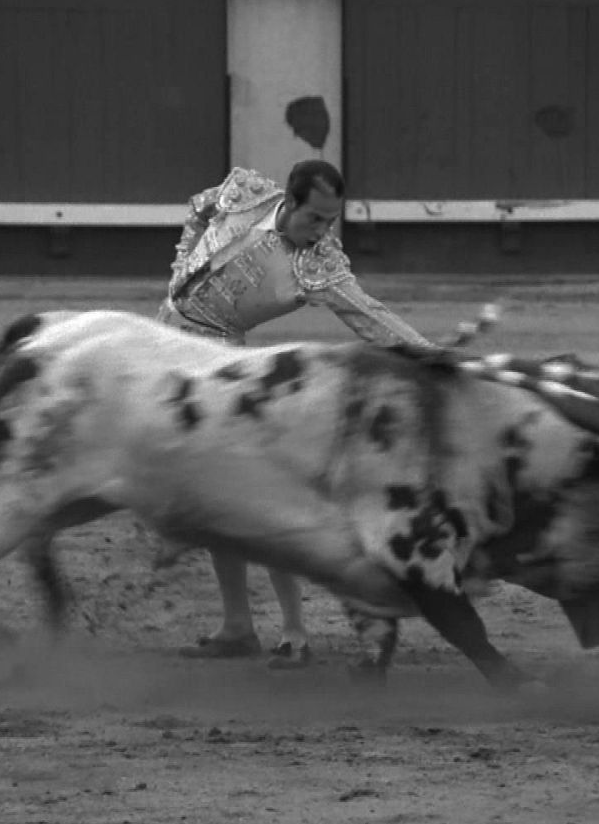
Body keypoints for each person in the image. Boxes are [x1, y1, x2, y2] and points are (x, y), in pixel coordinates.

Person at [156, 160, 436, 668]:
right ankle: (237, 625)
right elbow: (199, 207)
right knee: (214, 500)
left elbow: (371, 316)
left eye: (331, 221)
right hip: (166, 346)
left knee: (255, 499)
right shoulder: (245, 192)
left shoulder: (318, 264)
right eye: (315, 219)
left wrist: (433, 358)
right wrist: (180, 266)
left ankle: (294, 634)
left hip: (220, 367)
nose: (323, 231)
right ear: (289, 201)